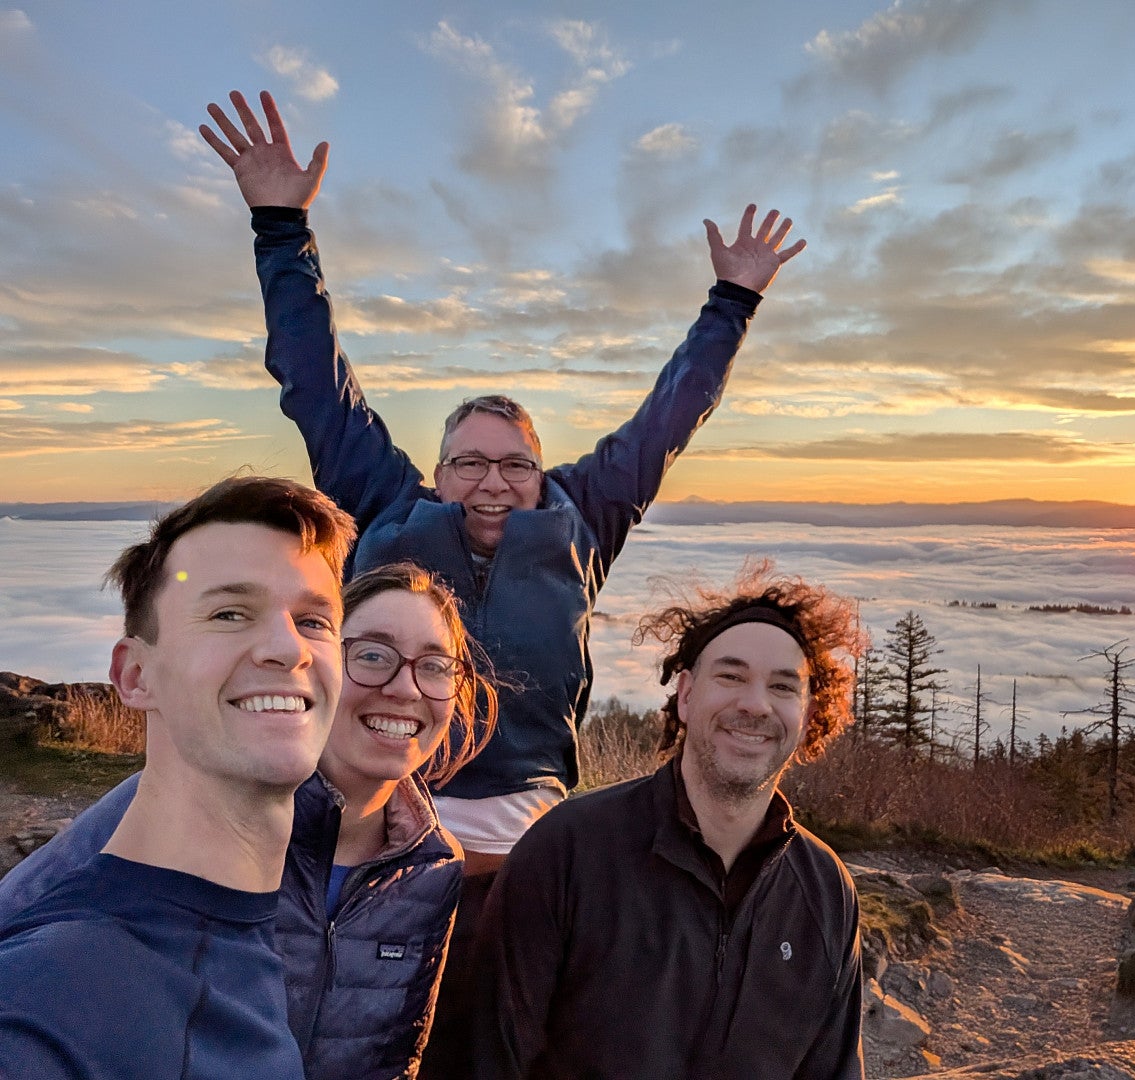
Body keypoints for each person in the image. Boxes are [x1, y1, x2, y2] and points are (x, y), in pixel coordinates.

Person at [199, 90, 807, 1069]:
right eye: (469, 464)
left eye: (513, 464)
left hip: (527, 807)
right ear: (438, 477)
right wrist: (283, 225)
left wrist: (732, 299)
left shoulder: (583, 522)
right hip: (387, 781)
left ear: (541, 473)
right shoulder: (383, 504)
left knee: (525, 999)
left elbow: (669, 417)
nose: (492, 481)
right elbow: (316, 378)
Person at [0, 562, 495, 1080]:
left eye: (436, 666)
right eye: (371, 655)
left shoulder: (431, 870)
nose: (405, 688)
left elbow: (395, 1059)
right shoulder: (187, 804)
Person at [0, 476, 356, 1079]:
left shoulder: (238, 936)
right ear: (136, 674)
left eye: (313, 621)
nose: (286, 647)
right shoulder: (49, 1005)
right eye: (229, 613)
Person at [471, 564, 868, 1079]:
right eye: (731, 675)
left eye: (783, 687)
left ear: (809, 712)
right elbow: (489, 1059)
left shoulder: (824, 892)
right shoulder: (568, 851)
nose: (754, 704)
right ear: (685, 695)